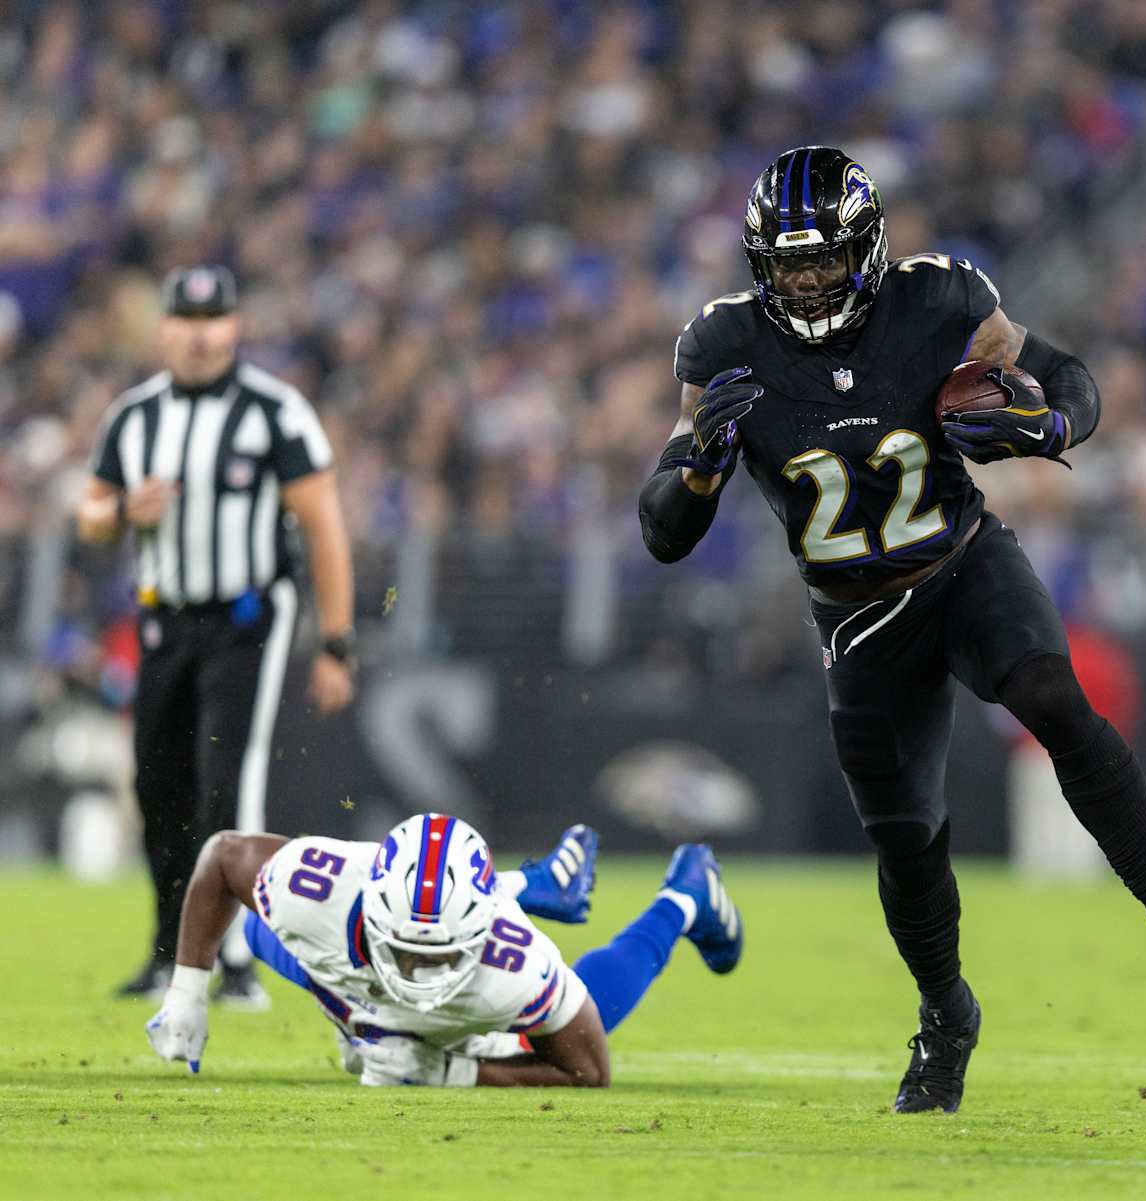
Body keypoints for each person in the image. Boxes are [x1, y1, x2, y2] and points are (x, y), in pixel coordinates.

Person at [639, 146, 1146, 1115]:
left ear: (869, 249)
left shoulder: (938, 301)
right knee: (907, 841)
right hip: (855, 616)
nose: (804, 281)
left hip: (963, 564)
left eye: (823, 259)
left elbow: (1067, 379)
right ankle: (944, 1014)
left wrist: (1047, 430)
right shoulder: (723, 344)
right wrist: (699, 468)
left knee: (1054, 697)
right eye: (786, 263)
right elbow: (663, 532)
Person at [74, 266, 357, 1007]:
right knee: (156, 784)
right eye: (186, 319)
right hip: (164, 620)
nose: (200, 334)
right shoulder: (134, 417)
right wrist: (123, 513)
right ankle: (170, 950)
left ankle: (232, 959)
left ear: (234, 327)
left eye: (214, 319)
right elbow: (90, 513)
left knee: (227, 782)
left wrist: (336, 640)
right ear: (164, 327)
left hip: (247, 618)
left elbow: (323, 525)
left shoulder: (275, 411)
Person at [145, 816, 743, 1086]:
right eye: (405, 952)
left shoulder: (515, 965)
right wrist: (187, 994)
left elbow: (587, 1069)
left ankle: (684, 898)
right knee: (254, 932)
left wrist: (455, 1071)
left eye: (437, 956)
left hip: (457, 1002)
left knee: (584, 1014)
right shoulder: (309, 895)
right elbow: (223, 858)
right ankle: (534, 884)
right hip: (345, 957)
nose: (419, 973)